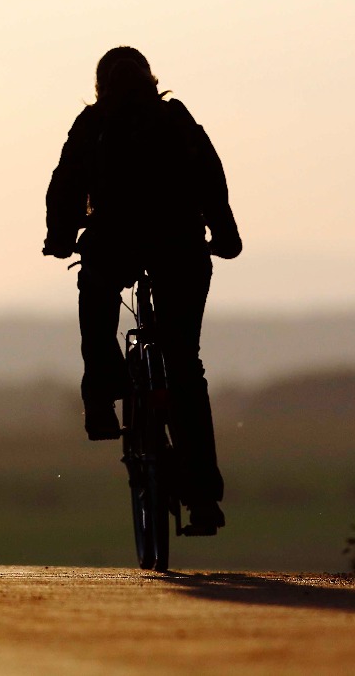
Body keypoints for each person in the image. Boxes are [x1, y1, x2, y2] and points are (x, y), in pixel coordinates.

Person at [42, 46, 241, 536]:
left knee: (96, 298)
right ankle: (203, 498)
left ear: (100, 86)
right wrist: (226, 236)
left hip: (114, 244)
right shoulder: (175, 119)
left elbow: (64, 186)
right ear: (152, 80)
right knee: (184, 366)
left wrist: (60, 238)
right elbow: (211, 178)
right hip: (180, 249)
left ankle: (100, 399)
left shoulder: (93, 124)